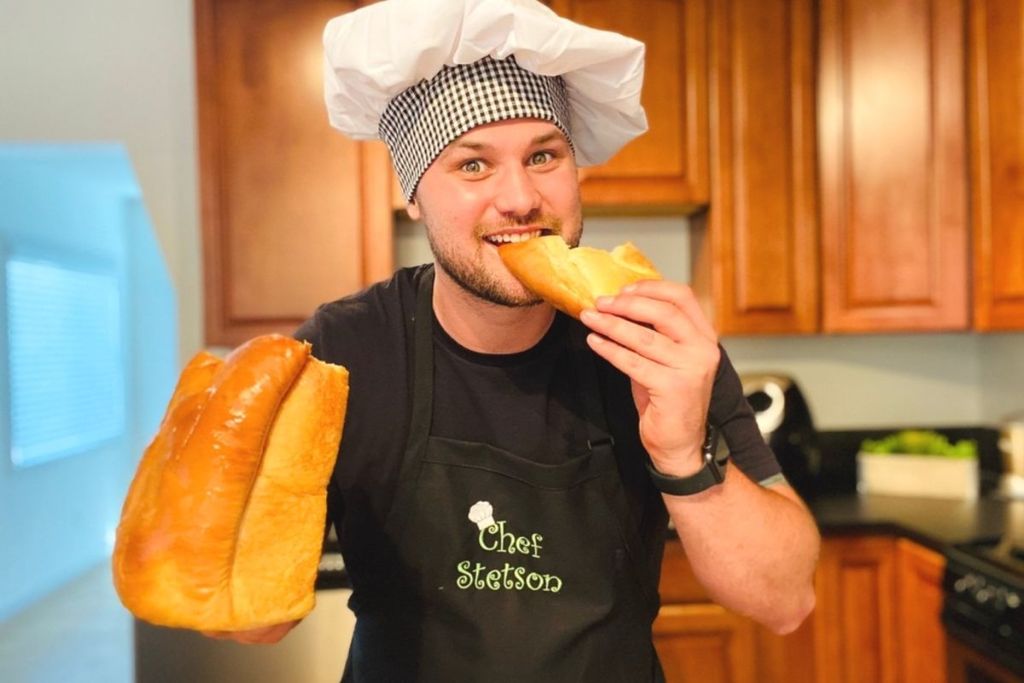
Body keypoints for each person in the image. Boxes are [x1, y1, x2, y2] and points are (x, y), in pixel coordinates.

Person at [204, 0, 820, 679]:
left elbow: (786, 598)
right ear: (415, 194)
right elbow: (261, 619)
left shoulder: (659, 338)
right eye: (473, 165)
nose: (520, 197)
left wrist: (681, 454)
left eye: (544, 155)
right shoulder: (345, 351)